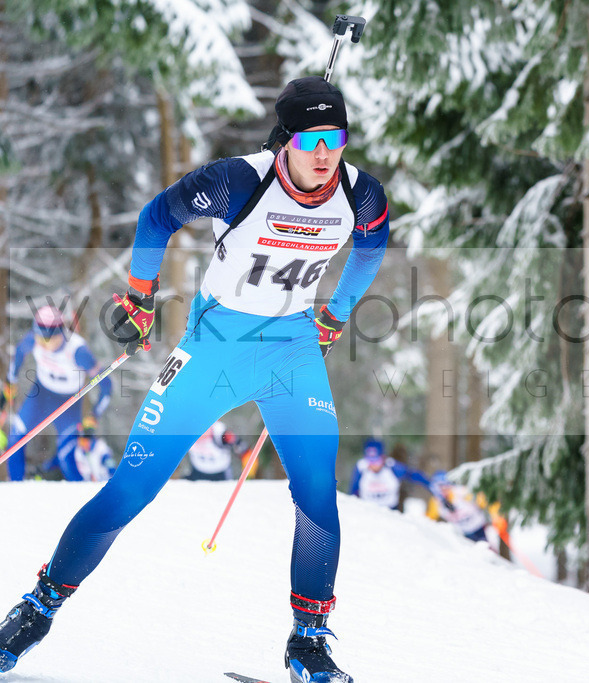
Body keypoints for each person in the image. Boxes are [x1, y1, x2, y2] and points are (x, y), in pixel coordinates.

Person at [0, 76, 389, 683]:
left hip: (290, 352)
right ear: (286, 140)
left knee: (317, 494)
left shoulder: (361, 194)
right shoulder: (237, 180)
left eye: (335, 137)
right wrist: (141, 294)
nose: (324, 152)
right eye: (311, 138)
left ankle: (308, 644)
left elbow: (371, 248)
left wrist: (336, 313)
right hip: (215, 350)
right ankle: (33, 614)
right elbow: (158, 218)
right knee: (133, 487)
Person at [2, 306, 112, 481]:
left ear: (61, 332)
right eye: (40, 338)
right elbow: (19, 355)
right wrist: (10, 385)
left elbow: (106, 385)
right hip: (41, 396)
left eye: (49, 339)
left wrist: (94, 415)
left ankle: (65, 486)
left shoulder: (77, 351)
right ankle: (17, 488)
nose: (44, 344)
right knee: (15, 439)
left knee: (67, 457)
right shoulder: (33, 339)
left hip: (68, 403)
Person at [426, 472, 507, 548]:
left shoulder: (461, 493)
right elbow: (428, 520)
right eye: (439, 486)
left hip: (479, 528)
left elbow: (486, 501)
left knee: (485, 550)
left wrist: (497, 517)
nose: (443, 489)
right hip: (462, 534)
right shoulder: (436, 502)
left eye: (445, 485)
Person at [348, 439, 431, 511]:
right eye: (370, 460)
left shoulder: (392, 466)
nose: (373, 465)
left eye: (376, 460)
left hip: (390, 510)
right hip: (368, 510)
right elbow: (354, 491)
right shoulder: (361, 467)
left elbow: (411, 475)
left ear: (383, 458)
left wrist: (429, 483)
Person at [43, 421, 116, 482]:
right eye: (81, 440)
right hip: (85, 484)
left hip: (103, 483)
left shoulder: (100, 447)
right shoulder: (77, 451)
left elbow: (110, 466)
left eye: (86, 440)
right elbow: (60, 460)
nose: (82, 443)